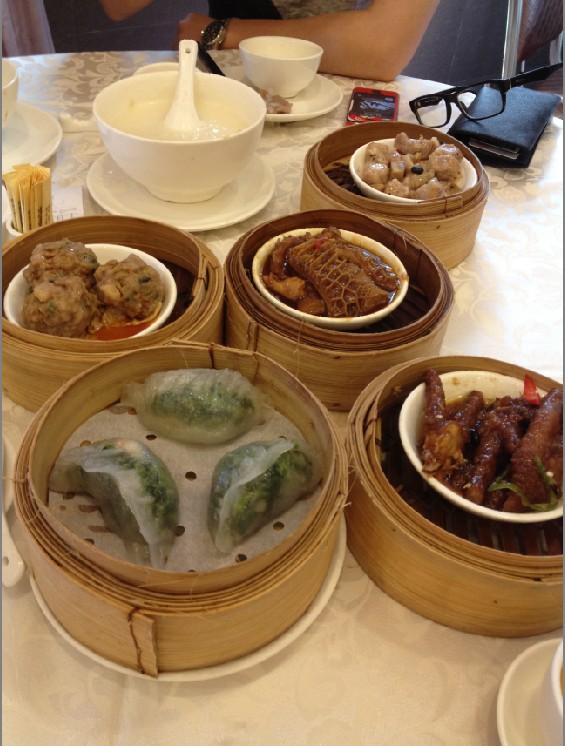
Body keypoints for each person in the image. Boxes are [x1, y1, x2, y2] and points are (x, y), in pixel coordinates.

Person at [98, 0, 440, 81]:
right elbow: (118, 5)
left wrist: (224, 32)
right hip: (225, 80)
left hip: (334, 81)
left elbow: (383, 47)